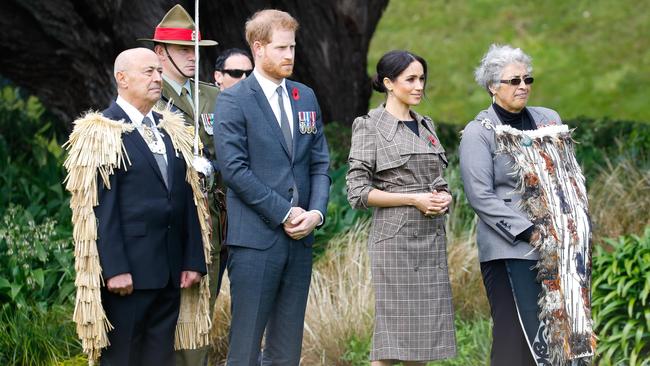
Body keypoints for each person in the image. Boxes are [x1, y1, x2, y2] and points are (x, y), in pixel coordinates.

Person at [213, 9, 330, 366]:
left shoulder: (304, 96)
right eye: (281, 48)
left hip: (301, 238)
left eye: (292, 47)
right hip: (255, 241)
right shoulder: (234, 100)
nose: (290, 55)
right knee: (246, 345)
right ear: (258, 48)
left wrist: (316, 213)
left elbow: (320, 163)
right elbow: (234, 170)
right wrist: (284, 211)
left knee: (286, 347)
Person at [95, 48, 206, 365]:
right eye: (148, 72)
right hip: (129, 273)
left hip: (170, 271)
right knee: (122, 358)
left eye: (159, 71)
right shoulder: (104, 128)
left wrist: (193, 258)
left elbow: (188, 197)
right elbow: (101, 206)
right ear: (122, 78)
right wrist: (114, 268)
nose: (158, 78)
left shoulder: (169, 126)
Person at [346, 50, 457, 365]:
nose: (419, 85)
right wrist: (413, 199)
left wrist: (443, 197)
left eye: (422, 78)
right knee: (392, 341)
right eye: (411, 79)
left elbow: (438, 179)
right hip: (396, 244)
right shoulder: (369, 126)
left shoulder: (426, 124)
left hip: (431, 241)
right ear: (388, 83)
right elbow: (357, 191)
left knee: (423, 342)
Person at [459, 44, 563, 365]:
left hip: (554, 244)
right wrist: (529, 231)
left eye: (527, 79)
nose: (523, 87)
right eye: (513, 81)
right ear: (492, 86)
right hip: (509, 249)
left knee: (555, 331)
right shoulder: (478, 133)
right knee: (513, 335)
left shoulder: (549, 119)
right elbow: (481, 197)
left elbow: (565, 175)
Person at [138, 6, 224, 364]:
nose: (194, 57)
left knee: (202, 316)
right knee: (165, 321)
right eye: (185, 50)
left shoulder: (212, 96)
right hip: (167, 225)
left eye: (196, 49)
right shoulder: (148, 100)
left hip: (212, 221)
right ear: (161, 53)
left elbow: (229, 153)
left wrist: (213, 168)